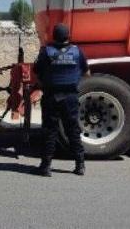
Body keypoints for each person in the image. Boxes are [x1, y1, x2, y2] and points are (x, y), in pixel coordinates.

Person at [31, 23, 89, 177]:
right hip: (70, 97)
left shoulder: (46, 52)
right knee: (73, 130)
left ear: (54, 36)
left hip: (51, 96)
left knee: (50, 131)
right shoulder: (77, 52)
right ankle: (80, 165)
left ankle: (45, 167)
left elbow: (36, 71)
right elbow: (86, 72)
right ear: (68, 36)